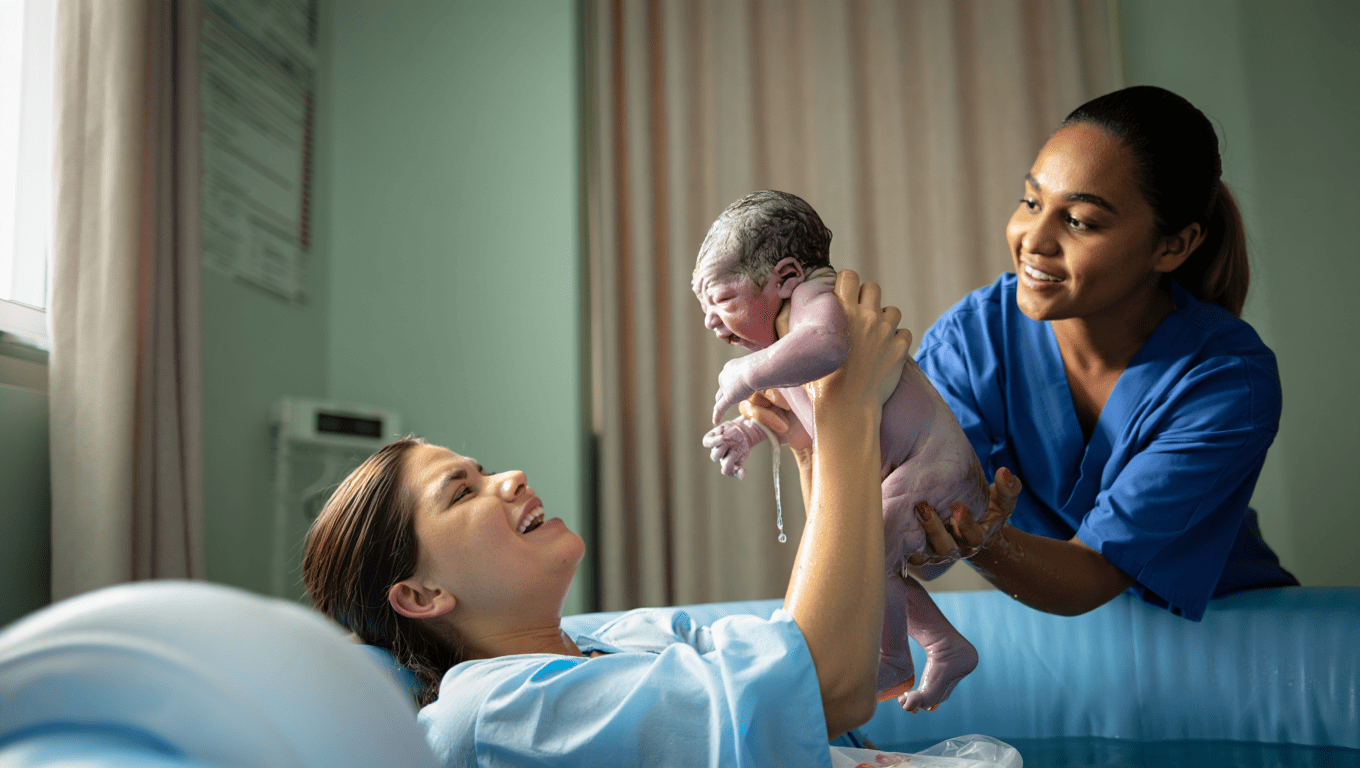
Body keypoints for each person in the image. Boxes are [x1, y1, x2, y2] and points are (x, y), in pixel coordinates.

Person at [302, 271, 971, 767]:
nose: (510, 478)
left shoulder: (631, 639)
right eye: (462, 491)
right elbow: (829, 688)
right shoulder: (488, 713)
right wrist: (846, 413)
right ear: (421, 595)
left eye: (481, 471)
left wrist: (808, 452)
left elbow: (814, 651)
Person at [898, 85, 1298, 621]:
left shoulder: (1225, 382)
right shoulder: (973, 342)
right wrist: (827, 433)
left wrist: (979, 541)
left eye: (1079, 220)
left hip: (1245, 645)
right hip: (1081, 655)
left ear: (1173, 246)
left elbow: (1088, 577)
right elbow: (919, 552)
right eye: (1032, 202)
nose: (1033, 240)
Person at [693, 189, 991, 713]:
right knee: (866, 557)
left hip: (935, 463)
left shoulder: (816, 301)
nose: (711, 322)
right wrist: (747, 433)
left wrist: (745, 372)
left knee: (868, 547)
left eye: (721, 299)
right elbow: (799, 408)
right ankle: (945, 645)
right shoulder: (781, 346)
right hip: (910, 470)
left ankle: (894, 658)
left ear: (785, 277)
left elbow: (828, 348)